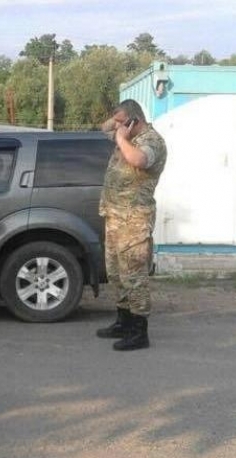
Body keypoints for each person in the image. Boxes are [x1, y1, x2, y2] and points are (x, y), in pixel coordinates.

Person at [95, 100, 167, 351]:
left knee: (134, 275)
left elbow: (139, 160)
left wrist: (123, 138)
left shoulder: (151, 141)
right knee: (116, 272)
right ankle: (123, 322)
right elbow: (103, 128)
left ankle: (139, 331)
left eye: (122, 121)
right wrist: (118, 121)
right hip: (115, 217)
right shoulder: (124, 133)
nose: (116, 127)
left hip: (134, 219)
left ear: (135, 120)